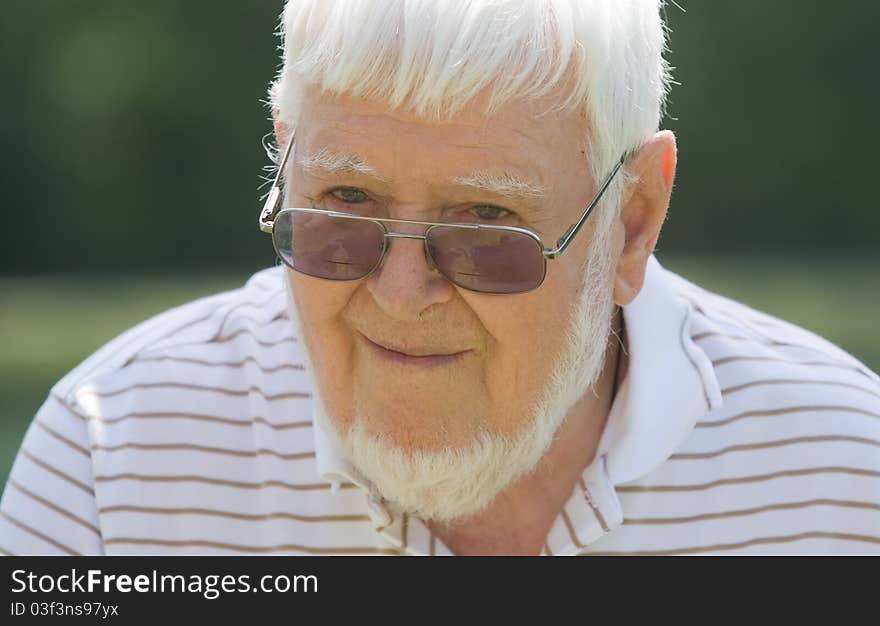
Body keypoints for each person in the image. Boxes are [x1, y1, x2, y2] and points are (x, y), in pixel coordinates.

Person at [1, 0, 878, 556]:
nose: (400, 293)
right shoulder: (109, 465)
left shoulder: (848, 479)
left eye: (485, 227)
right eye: (345, 205)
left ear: (632, 221)